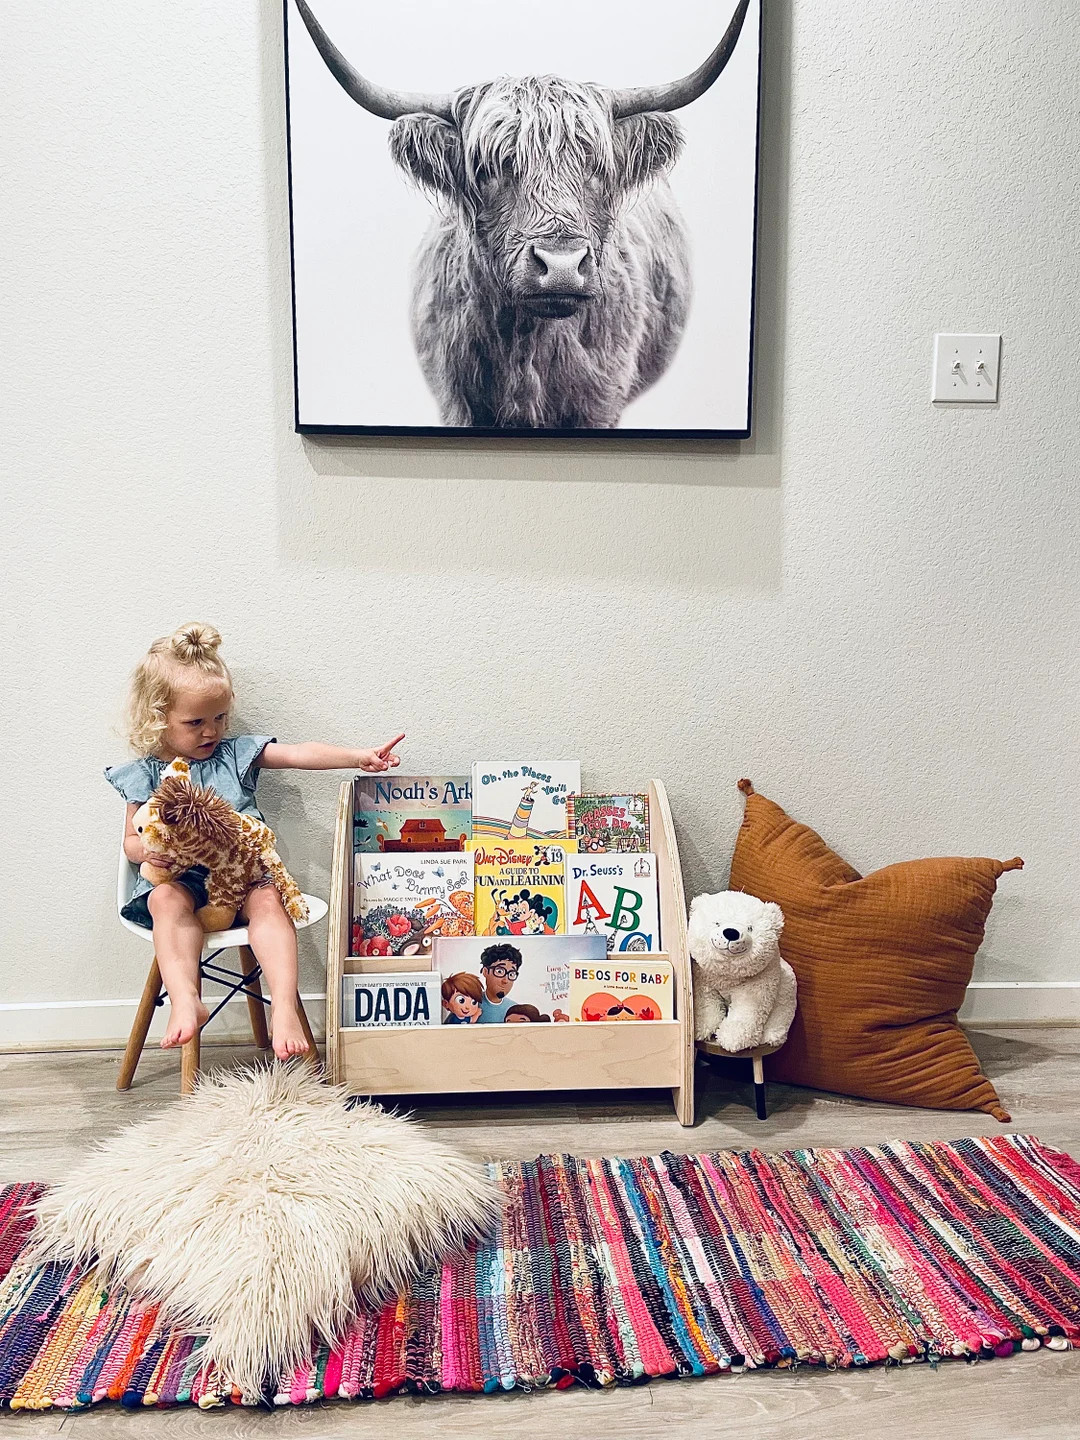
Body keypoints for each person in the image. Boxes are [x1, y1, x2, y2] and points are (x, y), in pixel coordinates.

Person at [106, 623, 403, 1060]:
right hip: (182, 878)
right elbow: (132, 842)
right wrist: (148, 850)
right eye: (196, 722)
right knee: (163, 902)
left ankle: (282, 1005)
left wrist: (358, 757)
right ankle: (185, 996)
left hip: (244, 876)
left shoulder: (234, 754)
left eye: (220, 718)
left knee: (269, 903)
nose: (211, 731)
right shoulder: (146, 773)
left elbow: (299, 753)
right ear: (158, 718)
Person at [477, 943, 521, 1023]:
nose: (505, 980)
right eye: (500, 971)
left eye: (511, 974)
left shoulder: (515, 1010)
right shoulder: (470, 1004)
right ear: (485, 972)